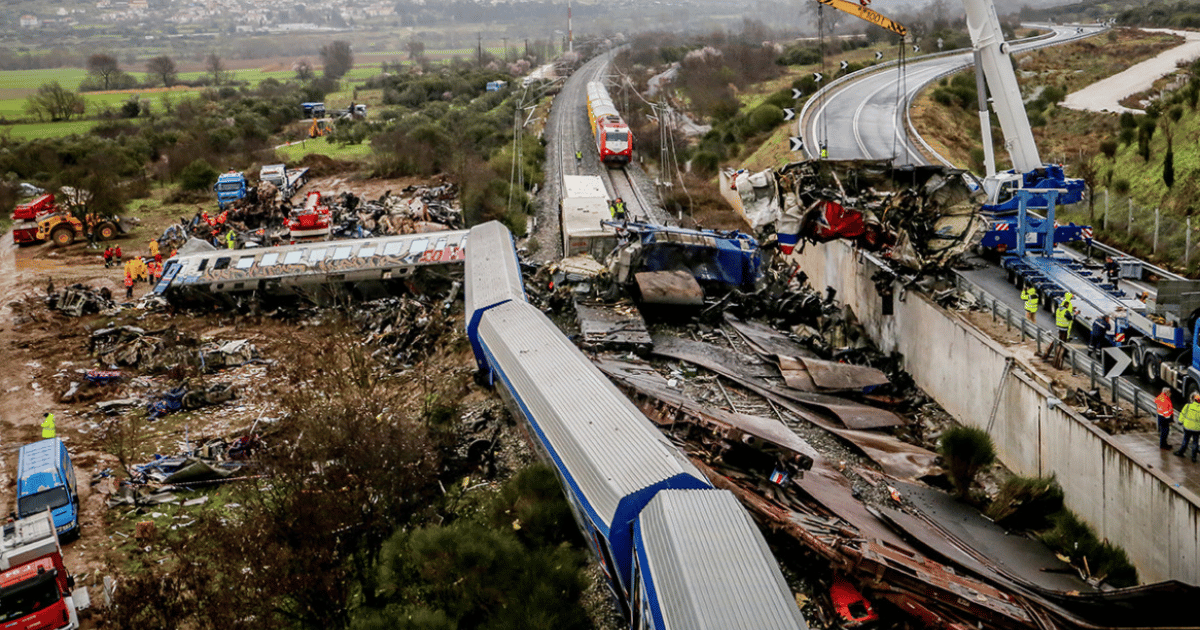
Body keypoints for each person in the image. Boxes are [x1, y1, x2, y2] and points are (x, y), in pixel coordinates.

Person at [1174, 393, 1200, 462]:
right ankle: (1194, 457)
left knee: (1186, 439)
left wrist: (1180, 421)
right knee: (1195, 442)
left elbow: (1182, 414)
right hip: (1197, 429)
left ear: (1194, 400)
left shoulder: (1188, 406)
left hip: (1187, 427)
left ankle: (1181, 452)